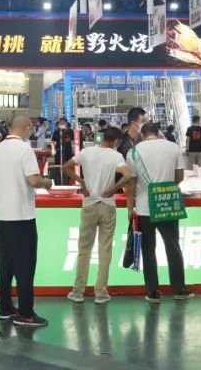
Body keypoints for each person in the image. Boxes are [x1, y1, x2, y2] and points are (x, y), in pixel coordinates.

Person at [107, 122, 193, 303]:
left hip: (144, 208)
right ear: (157, 132)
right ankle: (180, 289)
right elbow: (179, 177)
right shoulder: (173, 147)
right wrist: (165, 188)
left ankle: (153, 292)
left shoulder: (134, 152)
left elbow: (131, 183)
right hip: (168, 204)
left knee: (148, 249)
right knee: (173, 246)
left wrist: (130, 208)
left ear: (143, 134)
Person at [0, 115, 52, 328]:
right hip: (22, 216)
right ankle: (26, 313)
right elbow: (33, 179)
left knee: (4, 265)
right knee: (25, 267)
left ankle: (5, 308)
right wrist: (47, 182)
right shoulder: (25, 149)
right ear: (27, 128)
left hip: (2, 216)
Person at [62, 125, 127, 304]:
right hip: (107, 205)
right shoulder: (116, 156)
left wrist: (82, 182)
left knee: (84, 250)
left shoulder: (86, 152)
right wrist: (113, 188)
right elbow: (127, 175)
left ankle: (78, 291)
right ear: (116, 141)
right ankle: (101, 292)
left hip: (89, 204)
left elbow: (65, 167)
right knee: (105, 250)